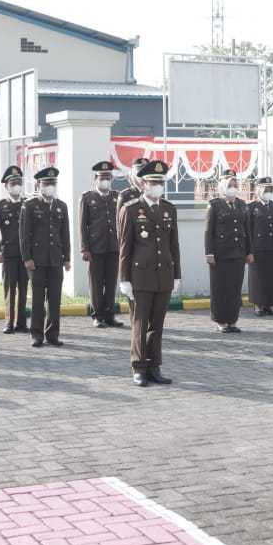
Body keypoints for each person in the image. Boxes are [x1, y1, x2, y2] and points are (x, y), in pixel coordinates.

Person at [117, 159, 180, 385]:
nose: (157, 187)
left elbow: (174, 246)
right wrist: (124, 278)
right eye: (153, 182)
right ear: (143, 184)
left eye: (161, 183)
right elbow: (125, 247)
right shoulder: (131, 209)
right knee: (140, 323)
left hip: (163, 274)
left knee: (157, 324)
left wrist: (177, 275)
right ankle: (139, 367)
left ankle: (154, 366)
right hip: (140, 276)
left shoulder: (168, 209)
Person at [20, 166, 70, 347]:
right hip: (37, 261)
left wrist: (67, 258)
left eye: (52, 183)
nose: (50, 186)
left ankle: (53, 334)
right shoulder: (30, 205)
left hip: (55, 259)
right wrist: (27, 258)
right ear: (39, 185)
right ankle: (36, 334)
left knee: (55, 299)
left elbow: (65, 234)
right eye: (46, 183)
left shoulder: (61, 206)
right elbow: (24, 234)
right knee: (38, 299)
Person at [205, 172, 250, 333]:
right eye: (230, 185)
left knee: (234, 288)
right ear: (222, 187)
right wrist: (209, 253)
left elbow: (247, 230)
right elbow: (209, 232)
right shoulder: (215, 205)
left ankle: (232, 320)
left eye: (235, 185)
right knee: (220, 288)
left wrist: (249, 251)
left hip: (238, 253)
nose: (233, 188)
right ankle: (220, 320)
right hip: (220, 254)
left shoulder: (242, 205)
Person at [80, 160, 123, 328]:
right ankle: (97, 315)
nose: (105, 180)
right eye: (102, 177)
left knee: (111, 282)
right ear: (95, 179)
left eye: (107, 177)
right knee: (96, 283)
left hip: (113, 246)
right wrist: (84, 248)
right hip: (95, 247)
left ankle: (109, 314)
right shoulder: (87, 198)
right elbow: (83, 225)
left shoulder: (116, 197)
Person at [0, 165, 29, 334]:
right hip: (8, 254)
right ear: (6, 186)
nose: (16, 186)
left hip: (26, 255)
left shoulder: (28, 204)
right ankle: (9, 322)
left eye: (18, 182)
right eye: (13, 183)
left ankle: (21, 323)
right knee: (10, 289)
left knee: (24, 288)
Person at [247, 176, 273, 316]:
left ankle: (268, 305)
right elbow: (248, 231)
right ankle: (258, 305)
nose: (268, 192)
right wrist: (249, 250)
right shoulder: (251, 207)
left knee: (272, 277)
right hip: (258, 248)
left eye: (270, 189)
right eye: (265, 189)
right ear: (258, 189)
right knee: (258, 278)